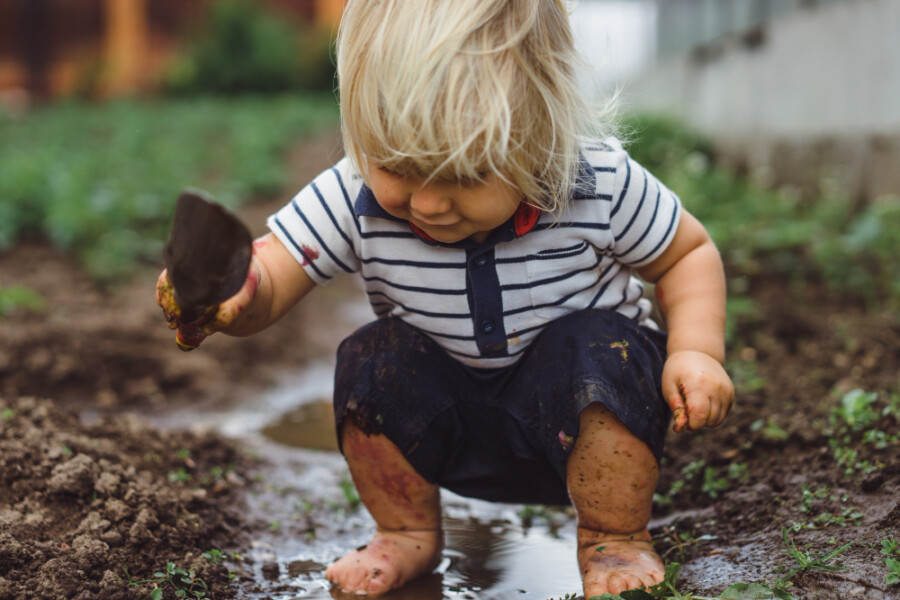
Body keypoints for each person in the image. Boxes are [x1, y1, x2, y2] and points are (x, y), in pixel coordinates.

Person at [156, 0, 735, 596]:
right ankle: (405, 532)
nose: (427, 204)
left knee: (599, 347)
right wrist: (233, 291)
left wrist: (697, 351)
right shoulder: (354, 194)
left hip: (584, 423)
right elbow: (275, 269)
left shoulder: (598, 184)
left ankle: (614, 538)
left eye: (463, 175)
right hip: (449, 423)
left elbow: (686, 254)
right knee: (372, 357)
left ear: (540, 133)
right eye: (397, 168)